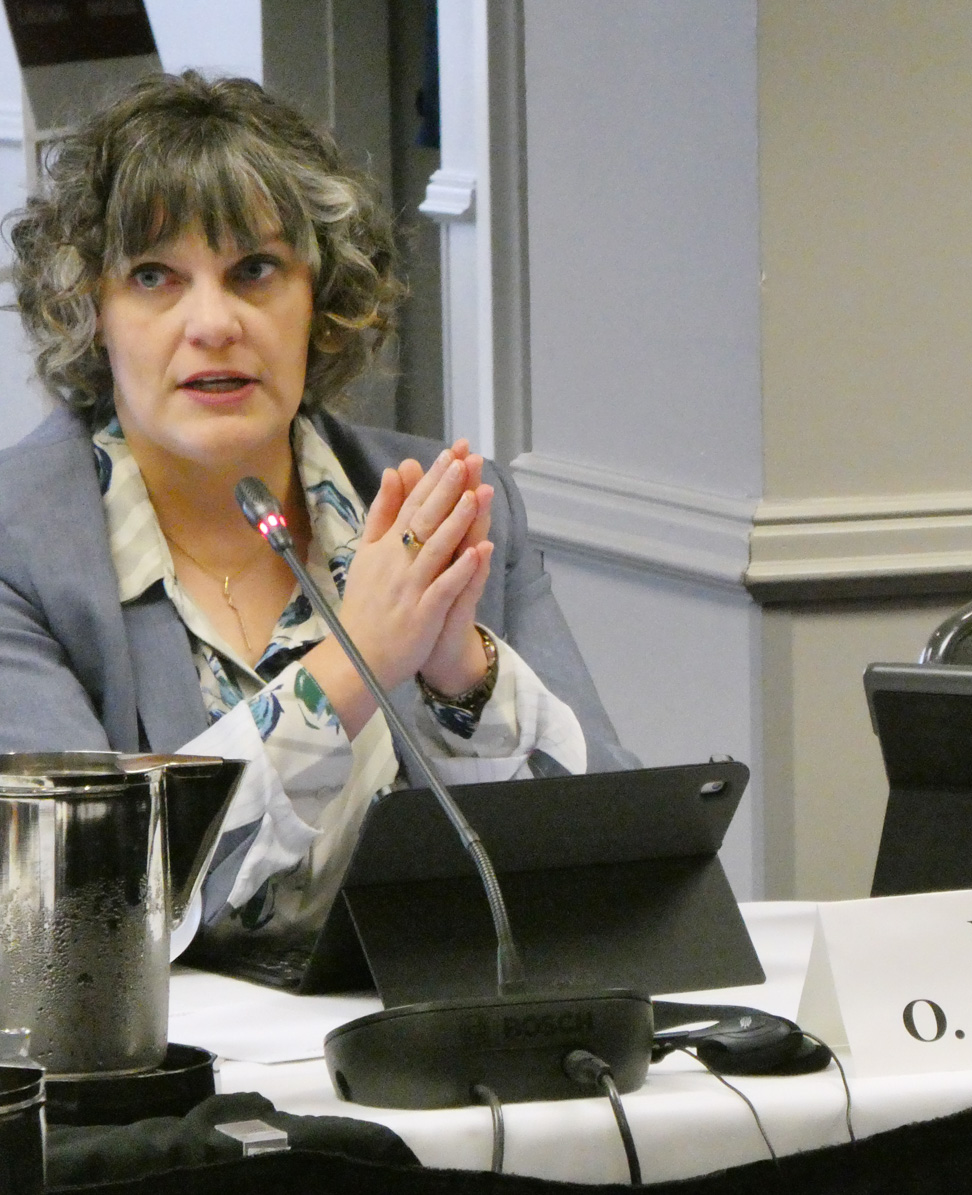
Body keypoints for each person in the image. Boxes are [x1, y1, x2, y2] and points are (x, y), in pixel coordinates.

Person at [0, 72, 636, 950]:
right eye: (153, 276)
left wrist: (464, 681)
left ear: (322, 299)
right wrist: (358, 658)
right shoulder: (21, 543)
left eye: (254, 270)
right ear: (91, 311)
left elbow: (619, 853)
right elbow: (80, 901)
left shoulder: (442, 507)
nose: (213, 323)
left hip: (424, 1022)